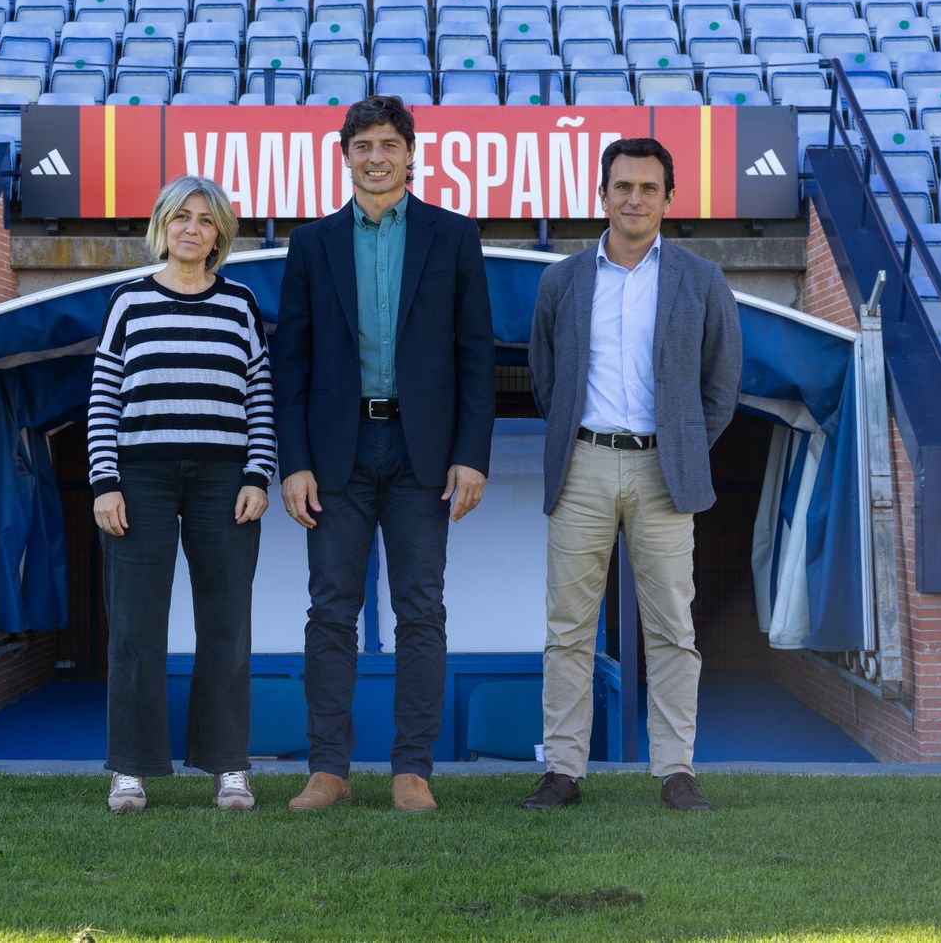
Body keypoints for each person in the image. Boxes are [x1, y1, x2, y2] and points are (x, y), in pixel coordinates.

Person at [273, 95, 496, 813]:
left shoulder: (453, 236)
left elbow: (475, 356)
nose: (376, 157)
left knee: (421, 610)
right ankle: (328, 769)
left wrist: (472, 454)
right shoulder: (311, 245)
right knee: (330, 610)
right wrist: (294, 461)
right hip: (335, 452)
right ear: (346, 156)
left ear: (410, 154)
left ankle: (412, 771)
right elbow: (293, 361)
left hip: (421, 450)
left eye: (388, 145)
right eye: (362, 145)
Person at [523, 137, 742, 813]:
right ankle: (563, 771)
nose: (635, 198)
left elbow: (721, 382)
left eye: (648, 188)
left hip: (663, 469)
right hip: (582, 463)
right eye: (623, 186)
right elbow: (543, 375)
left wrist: (681, 444)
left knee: (672, 626)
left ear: (668, 199)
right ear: (603, 194)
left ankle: (675, 770)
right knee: (568, 627)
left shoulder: (700, 280)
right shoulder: (561, 280)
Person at [88, 175, 274, 814]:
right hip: (140, 476)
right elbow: (104, 397)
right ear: (162, 226)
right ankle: (130, 770)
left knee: (226, 622)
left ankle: (228, 767)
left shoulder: (241, 304)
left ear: (220, 231)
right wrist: (104, 482)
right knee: (136, 626)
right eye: (180, 217)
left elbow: (260, 398)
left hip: (225, 480)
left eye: (204, 218)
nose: (191, 228)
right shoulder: (128, 302)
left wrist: (258, 474)